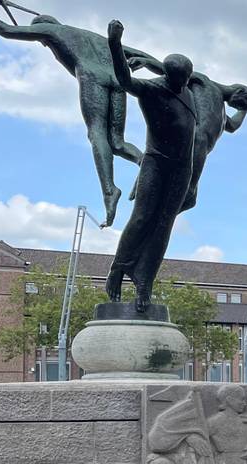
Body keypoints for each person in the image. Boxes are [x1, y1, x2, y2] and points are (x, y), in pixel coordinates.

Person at [0, 1, 158, 227]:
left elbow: (5, 29)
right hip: (118, 80)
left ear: (43, 28)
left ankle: (109, 190)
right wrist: (157, 66)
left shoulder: (51, 30)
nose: (43, 43)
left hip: (92, 77)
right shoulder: (95, 38)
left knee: (96, 133)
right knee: (118, 142)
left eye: (41, 39)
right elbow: (141, 54)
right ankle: (145, 163)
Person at [104, 19, 198, 312]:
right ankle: (118, 269)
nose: (182, 84)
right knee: (143, 217)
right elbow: (125, 81)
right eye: (178, 79)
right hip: (156, 162)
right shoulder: (152, 89)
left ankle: (144, 280)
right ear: (168, 75)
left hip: (182, 169)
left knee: (164, 226)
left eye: (186, 79)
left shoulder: (189, 92)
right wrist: (115, 44)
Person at [127, 57, 247, 212]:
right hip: (195, 142)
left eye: (240, 107)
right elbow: (171, 69)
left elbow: (233, 126)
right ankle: (154, 212)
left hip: (199, 148)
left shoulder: (220, 110)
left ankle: (158, 216)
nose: (237, 107)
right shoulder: (205, 83)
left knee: (189, 200)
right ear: (239, 91)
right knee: (188, 193)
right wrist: (146, 62)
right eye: (239, 104)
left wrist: (244, 110)